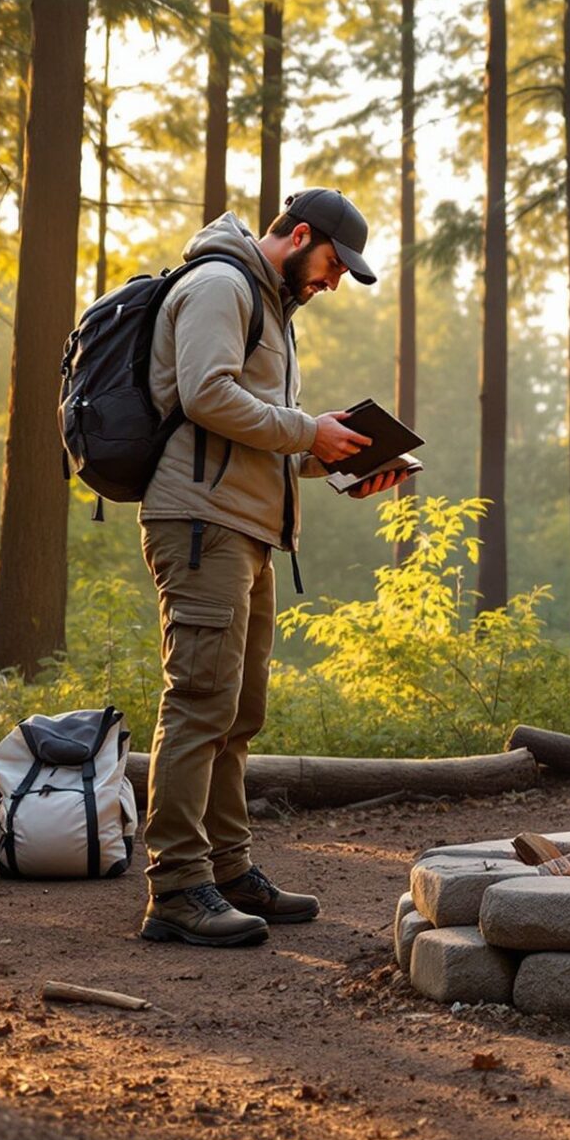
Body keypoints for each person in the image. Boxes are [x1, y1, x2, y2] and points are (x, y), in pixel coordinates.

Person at [135, 189, 408, 947]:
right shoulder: (220, 285)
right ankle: (177, 887)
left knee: (237, 712)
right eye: (331, 266)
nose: (331, 283)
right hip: (200, 524)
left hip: (246, 529)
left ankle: (227, 869)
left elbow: (260, 437)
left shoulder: (270, 310)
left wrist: (342, 462)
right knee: (198, 703)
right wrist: (306, 431)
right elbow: (205, 395)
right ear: (297, 236)